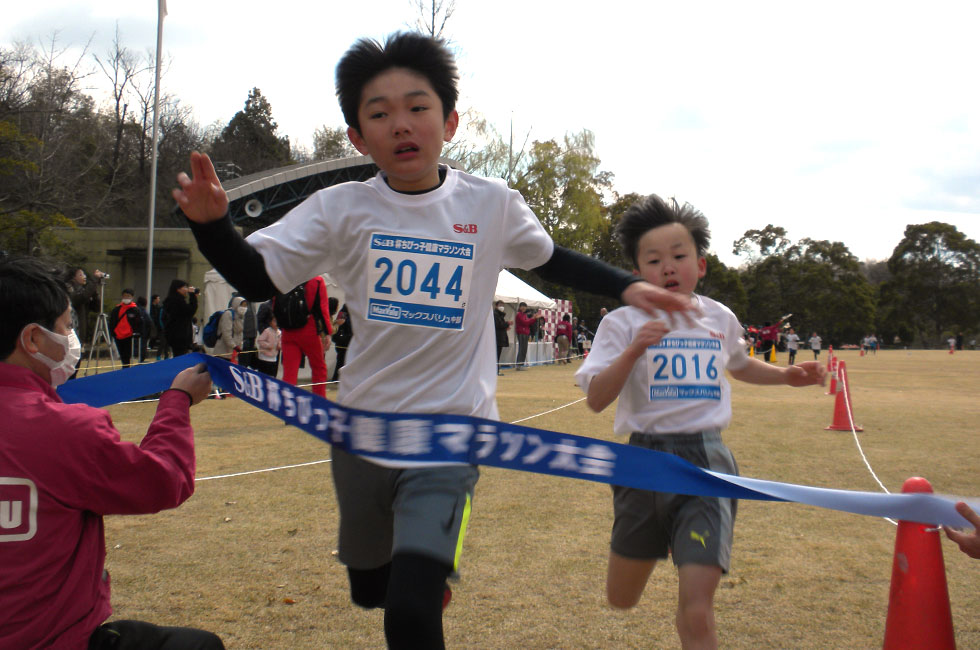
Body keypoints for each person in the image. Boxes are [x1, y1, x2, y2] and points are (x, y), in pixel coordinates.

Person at [173, 32, 695, 649]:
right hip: (364, 431)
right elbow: (255, 277)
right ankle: (404, 576)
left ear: (449, 120)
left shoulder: (491, 203)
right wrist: (213, 228)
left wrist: (627, 287)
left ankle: (428, 576)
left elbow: (553, 260)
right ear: (356, 138)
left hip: (453, 432)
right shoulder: (339, 208)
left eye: (417, 107)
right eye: (379, 113)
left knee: (411, 612)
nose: (401, 124)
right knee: (370, 588)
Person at [575, 195, 825, 649]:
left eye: (678, 256)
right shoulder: (622, 323)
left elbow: (741, 365)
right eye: (653, 260)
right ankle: (661, 535)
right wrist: (634, 349)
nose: (668, 267)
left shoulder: (719, 318)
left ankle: (689, 542)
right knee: (621, 597)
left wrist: (787, 376)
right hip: (642, 463)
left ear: (701, 265)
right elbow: (596, 399)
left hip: (707, 462)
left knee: (697, 605)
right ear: (637, 273)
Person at [0, 255, 224, 649]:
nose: (72, 339)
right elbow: (162, 481)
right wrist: (177, 401)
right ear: (33, 339)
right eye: (67, 327)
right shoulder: (63, 431)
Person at [277, 276, 332, 398]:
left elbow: (276, 303)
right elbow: (322, 309)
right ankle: (319, 401)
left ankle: (287, 404)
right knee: (319, 367)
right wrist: (327, 332)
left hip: (288, 331)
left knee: (289, 372)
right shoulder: (317, 280)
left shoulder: (285, 276)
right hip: (309, 329)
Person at [65, 266, 105, 347]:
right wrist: (93, 281)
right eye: (80, 275)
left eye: (84, 275)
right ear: (73, 277)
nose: (84, 277)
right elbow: (80, 298)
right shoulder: (69, 287)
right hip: (72, 329)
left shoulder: (84, 290)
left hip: (81, 330)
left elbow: (96, 308)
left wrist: (94, 293)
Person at [108, 288, 143, 368]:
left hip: (129, 335)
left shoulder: (135, 309)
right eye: (125, 296)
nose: (126, 298)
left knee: (127, 353)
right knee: (122, 353)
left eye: (128, 296)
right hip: (118, 334)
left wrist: (138, 332)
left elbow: (139, 322)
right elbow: (112, 321)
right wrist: (113, 332)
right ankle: (125, 366)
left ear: (132, 297)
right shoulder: (117, 309)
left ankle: (126, 367)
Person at [162, 279, 198, 356]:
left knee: (178, 354)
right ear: (178, 289)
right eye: (185, 287)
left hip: (175, 334)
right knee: (180, 356)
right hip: (179, 335)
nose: (186, 290)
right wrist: (192, 296)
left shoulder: (172, 300)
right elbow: (190, 311)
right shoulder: (177, 301)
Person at [212, 296, 247, 360]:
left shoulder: (241, 317)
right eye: (242, 305)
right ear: (237, 304)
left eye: (245, 306)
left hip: (233, 353)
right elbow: (226, 333)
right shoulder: (228, 314)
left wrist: (240, 347)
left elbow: (240, 333)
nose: (244, 308)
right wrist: (234, 346)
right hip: (222, 352)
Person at [255, 305, 281, 378]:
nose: (276, 323)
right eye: (274, 321)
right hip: (264, 356)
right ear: (270, 322)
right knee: (263, 373)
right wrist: (268, 345)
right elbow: (260, 340)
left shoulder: (279, 332)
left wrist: (279, 345)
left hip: (273, 356)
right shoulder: (267, 331)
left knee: (272, 373)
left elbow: (280, 342)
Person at [514, 302, 541, 370]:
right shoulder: (519, 314)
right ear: (519, 307)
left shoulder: (524, 314)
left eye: (525, 306)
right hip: (522, 333)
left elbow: (528, 322)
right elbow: (525, 322)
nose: (523, 308)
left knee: (524, 349)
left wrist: (533, 318)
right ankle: (519, 365)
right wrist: (534, 318)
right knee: (522, 349)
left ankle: (520, 365)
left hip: (525, 333)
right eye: (522, 306)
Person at [332, 303, 353, 382]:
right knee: (341, 361)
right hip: (344, 341)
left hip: (350, 340)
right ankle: (336, 379)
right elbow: (339, 322)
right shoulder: (345, 309)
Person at [492, 300, 510, 374]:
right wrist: (507, 324)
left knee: (497, 355)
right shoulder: (495, 314)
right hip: (497, 338)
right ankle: (495, 371)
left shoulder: (499, 314)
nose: (502, 306)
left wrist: (505, 326)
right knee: (496, 354)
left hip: (499, 337)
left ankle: (496, 370)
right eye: (500, 305)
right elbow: (498, 325)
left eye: (503, 305)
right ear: (496, 305)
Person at [151, 294, 171, 360]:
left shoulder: (169, 310)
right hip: (162, 329)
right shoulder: (162, 309)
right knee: (163, 343)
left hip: (168, 329)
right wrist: (163, 328)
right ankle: (158, 355)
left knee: (167, 344)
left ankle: (166, 356)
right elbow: (160, 319)